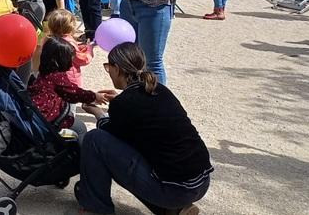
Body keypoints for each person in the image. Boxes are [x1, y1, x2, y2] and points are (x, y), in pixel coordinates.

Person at [77, 43, 211, 215]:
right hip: (200, 181)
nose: (108, 71)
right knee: (142, 155)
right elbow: (141, 115)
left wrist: (98, 113)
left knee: (94, 139)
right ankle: (174, 211)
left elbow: (110, 133)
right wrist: (119, 101)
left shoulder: (124, 103)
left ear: (117, 68)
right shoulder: (160, 89)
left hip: (174, 190)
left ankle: (94, 208)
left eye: (108, 67)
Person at [28, 36, 111, 137]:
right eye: (69, 60)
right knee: (80, 128)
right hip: (49, 119)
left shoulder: (44, 72)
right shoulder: (57, 77)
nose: (71, 63)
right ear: (60, 60)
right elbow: (74, 93)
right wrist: (94, 96)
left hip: (39, 117)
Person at [32, 9, 93, 86]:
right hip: (70, 79)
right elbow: (83, 59)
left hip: (51, 76)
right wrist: (89, 50)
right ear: (71, 27)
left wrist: (79, 47)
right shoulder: (69, 42)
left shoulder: (47, 39)